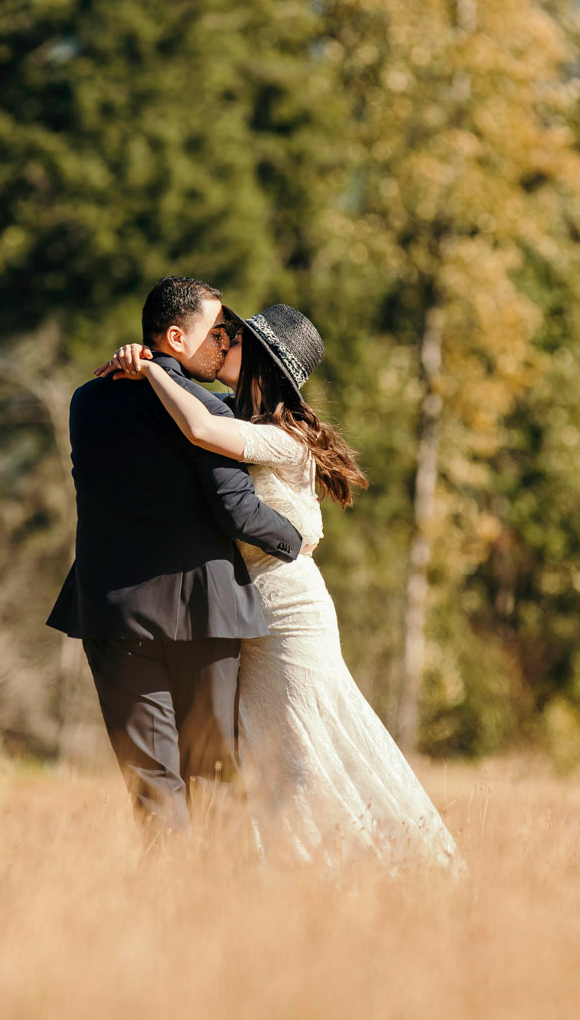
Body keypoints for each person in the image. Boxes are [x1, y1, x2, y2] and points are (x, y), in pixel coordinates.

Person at [102, 303, 461, 872]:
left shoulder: (276, 436)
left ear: (261, 362)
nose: (223, 342)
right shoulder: (244, 421)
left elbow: (197, 428)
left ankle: (371, 873)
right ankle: (284, 885)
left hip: (290, 614)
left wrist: (150, 370)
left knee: (304, 753)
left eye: (235, 338)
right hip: (253, 617)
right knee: (265, 756)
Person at [47, 277, 303, 837]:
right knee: (212, 778)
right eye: (219, 333)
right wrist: (297, 540)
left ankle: (166, 912)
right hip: (203, 614)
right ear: (175, 338)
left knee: (151, 787)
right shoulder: (206, 408)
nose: (224, 344)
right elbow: (236, 511)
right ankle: (209, 911)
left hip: (112, 610)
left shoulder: (86, 399)